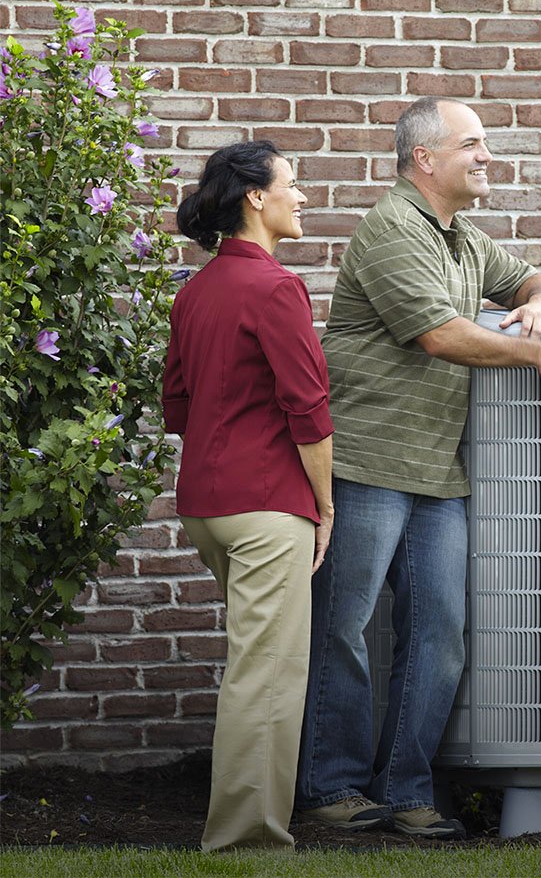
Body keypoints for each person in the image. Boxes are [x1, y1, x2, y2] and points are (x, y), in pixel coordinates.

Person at [296, 96, 541, 838]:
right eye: (473, 144)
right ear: (424, 158)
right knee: (346, 626)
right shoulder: (393, 228)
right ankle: (329, 787)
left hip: (438, 471)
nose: (486, 155)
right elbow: (439, 335)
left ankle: (406, 791)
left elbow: (531, 278)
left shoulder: (461, 237)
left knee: (443, 632)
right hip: (368, 461)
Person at [163, 140, 334, 851]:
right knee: (267, 675)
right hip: (266, 507)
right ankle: (247, 839)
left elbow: (177, 406)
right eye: (292, 185)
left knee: (252, 665)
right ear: (256, 199)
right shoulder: (274, 288)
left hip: (207, 504)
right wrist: (324, 505)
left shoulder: (195, 291)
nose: (303, 197)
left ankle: (246, 826)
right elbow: (309, 408)